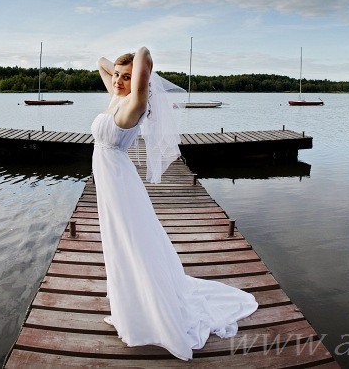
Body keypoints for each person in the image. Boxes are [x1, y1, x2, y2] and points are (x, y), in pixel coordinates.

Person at [91, 46, 258, 361]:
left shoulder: (134, 105)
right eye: (116, 75)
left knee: (130, 242)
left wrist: (141, 51)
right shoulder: (117, 96)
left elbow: (141, 61)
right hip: (110, 180)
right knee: (119, 243)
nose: (118, 80)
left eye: (127, 77)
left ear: (141, 81)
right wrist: (117, 68)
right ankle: (132, 305)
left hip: (118, 183)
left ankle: (146, 312)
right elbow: (102, 64)